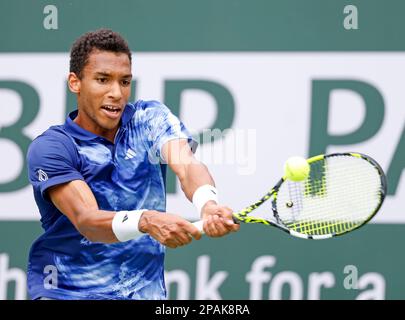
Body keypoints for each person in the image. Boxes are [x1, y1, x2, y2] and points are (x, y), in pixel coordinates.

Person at [26, 29, 239, 300]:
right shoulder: (52, 148)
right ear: (75, 82)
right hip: (67, 293)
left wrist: (207, 203)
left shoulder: (149, 119)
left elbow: (186, 165)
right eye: (102, 80)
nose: (116, 93)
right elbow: (87, 221)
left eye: (124, 81)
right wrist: (147, 220)